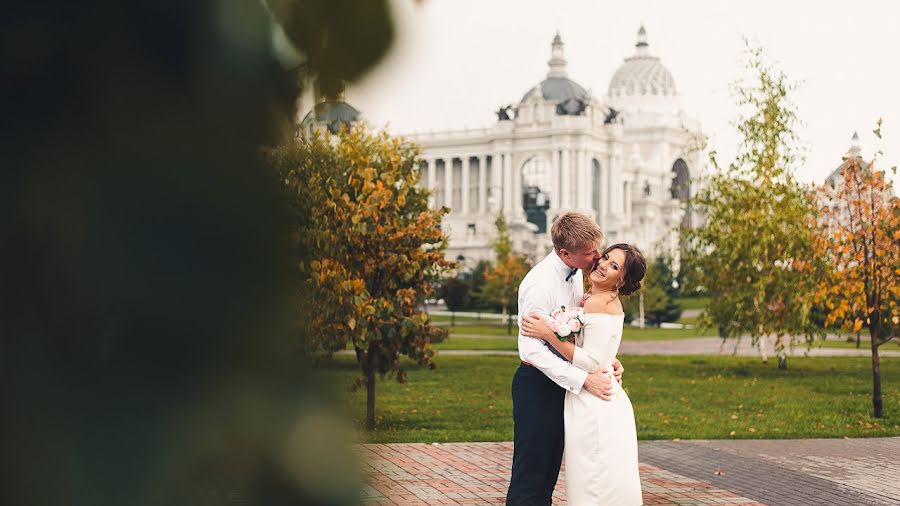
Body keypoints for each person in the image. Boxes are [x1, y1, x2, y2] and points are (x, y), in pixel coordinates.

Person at [506, 212, 625, 506]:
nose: (597, 258)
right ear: (565, 254)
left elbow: (575, 332)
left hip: (561, 384)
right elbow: (532, 350)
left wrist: (606, 360)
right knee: (530, 474)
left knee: (548, 473)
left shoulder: (575, 275)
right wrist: (584, 380)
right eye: (590, 253)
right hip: (536, 386)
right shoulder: (539, 283)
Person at [521, 243, 647, 506]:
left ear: (622, 281)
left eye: (614, 267)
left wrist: (547, 333)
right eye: (606, 258)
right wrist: (610, 358)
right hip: (595, 395)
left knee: (593, 478)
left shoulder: (599, 303)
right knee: (596, 475)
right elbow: (598, 347)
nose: (602, 265)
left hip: (594, 401)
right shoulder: (593, 297)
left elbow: (589, 361)